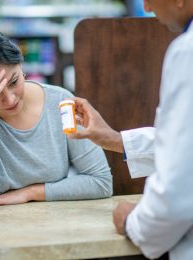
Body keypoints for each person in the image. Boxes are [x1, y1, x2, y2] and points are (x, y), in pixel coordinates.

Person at [70, 0, 193, 259]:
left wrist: (132, 222)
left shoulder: (187, 52)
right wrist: (115, 140)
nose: (147, 7)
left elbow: (179, 187)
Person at [0, 28, 113, 206]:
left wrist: (30, 193)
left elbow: (101, 182)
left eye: (14, 82)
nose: (9, 99)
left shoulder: (60, 102)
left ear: (21, 66)